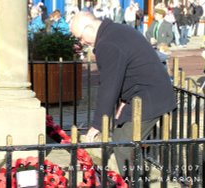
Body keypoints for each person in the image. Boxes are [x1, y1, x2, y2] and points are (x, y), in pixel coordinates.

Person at [70, 11, 176, 178]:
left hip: (149, 97)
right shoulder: (116, 30)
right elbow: (127, 72)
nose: (81, 42)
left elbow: (109, 86)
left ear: (89, 27)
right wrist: (124, 103)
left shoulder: (108, 43)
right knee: (123, 138)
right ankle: (136, 177)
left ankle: (132, 181)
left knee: (123, 144)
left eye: (80, 38)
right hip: (146, 93)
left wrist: (97, 125)